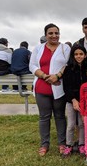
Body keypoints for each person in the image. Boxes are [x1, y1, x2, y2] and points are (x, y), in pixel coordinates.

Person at [29, 23, 71, 156]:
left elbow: (68, 65)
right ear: (46, 35)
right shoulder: (38, 48)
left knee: (59, 116)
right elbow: (32, 65)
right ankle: (44, 144)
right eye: (51, 33)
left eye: (56, 33)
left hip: (59, 88)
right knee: (44, 117)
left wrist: (57, 76)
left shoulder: (65, 48)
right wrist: (44, 76)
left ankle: (62, 143)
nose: (54, 36)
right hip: (42, 88)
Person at [62, 44, 87, 157]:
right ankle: (69, 145)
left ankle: (82, 144)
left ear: (85, 55)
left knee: (82, 124)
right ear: (73, 56)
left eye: (81, 54)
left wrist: (83, 101)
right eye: (76, 54)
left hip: (84, 101)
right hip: (71, 100)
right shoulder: (68, 69)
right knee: (71, 124)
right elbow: (66, 87)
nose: (79, 56)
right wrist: (73, 100)